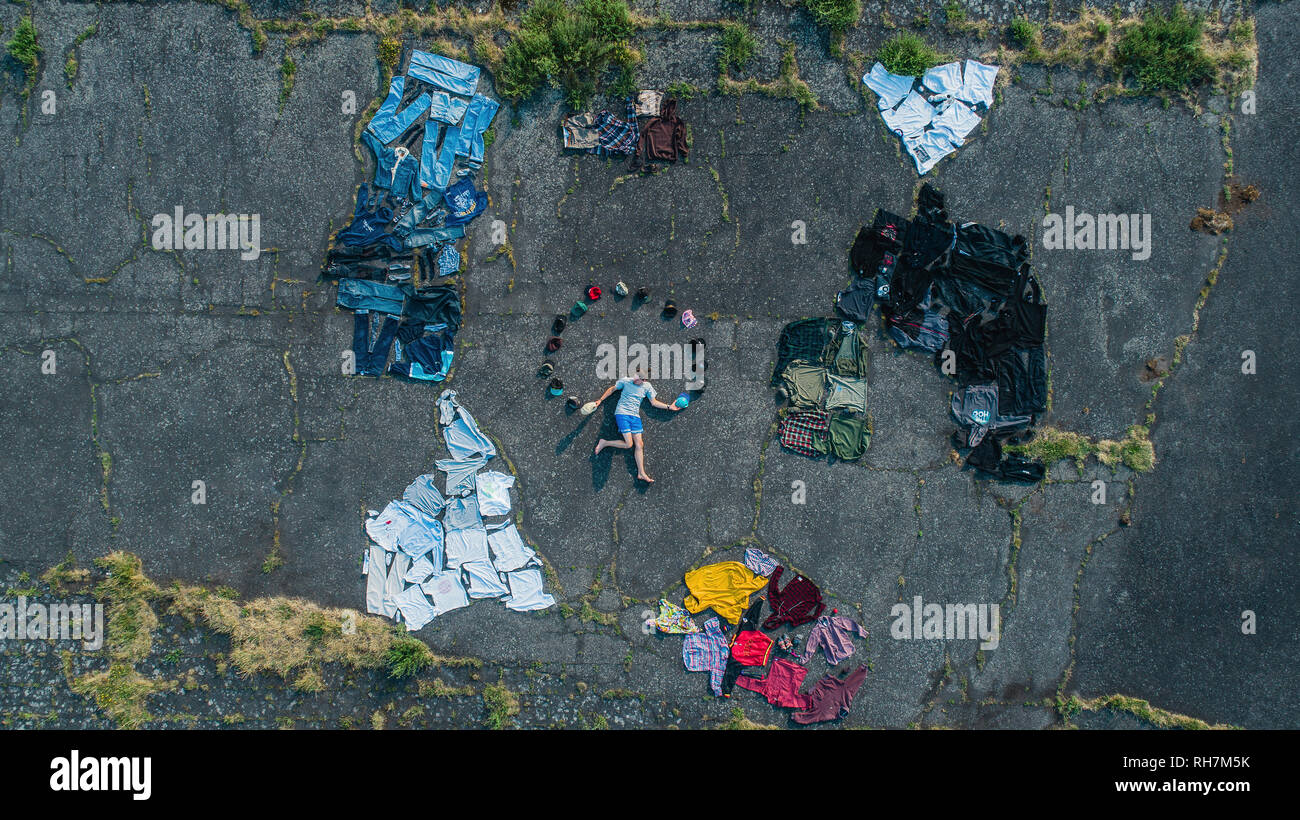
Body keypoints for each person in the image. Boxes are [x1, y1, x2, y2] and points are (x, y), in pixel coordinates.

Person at [593, 366, 681, 483]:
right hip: (622, 413)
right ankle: (604, 442)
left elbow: (653, 402)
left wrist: (670, 407)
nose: (635, 379)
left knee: (639, 444)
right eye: (635, 375)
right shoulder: (626, 381)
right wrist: (600, 400)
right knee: (629, 444)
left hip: (635, 417)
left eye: (638, 378)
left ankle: (641, 472)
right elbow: (612, 389)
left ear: (644, 380)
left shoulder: (647, 387)